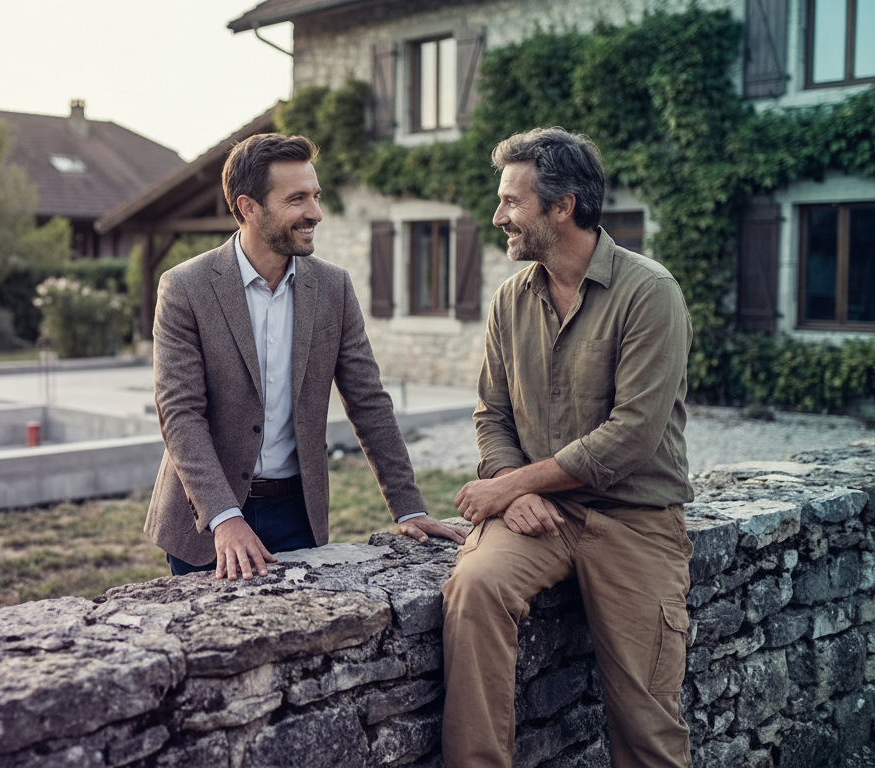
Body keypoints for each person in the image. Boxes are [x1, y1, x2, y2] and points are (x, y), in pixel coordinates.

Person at [442, 127, 695, 767]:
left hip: (635, 519)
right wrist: (510, 484)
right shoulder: (510, 298)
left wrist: (512, 485)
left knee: (647, 725)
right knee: (474, 584)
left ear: (564, 206)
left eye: (511, 202)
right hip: (541, 519)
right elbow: (492, 412)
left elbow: (632, 437)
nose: (499, 216)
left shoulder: (650, 292)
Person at [144, 133, 464, 580]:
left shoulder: (334, 288)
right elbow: (180, 413)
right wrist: (224, 516)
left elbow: (368, 399)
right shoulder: (185, 287)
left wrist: (408, 507)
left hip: (299, 515)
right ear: (247, 207)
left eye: (315, 196)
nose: (314, 212)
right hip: (204, 523)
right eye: (296, 199)